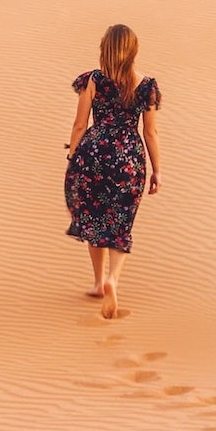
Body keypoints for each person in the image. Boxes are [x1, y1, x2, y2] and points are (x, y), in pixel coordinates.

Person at [64, 23, 162, 319]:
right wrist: (157, 170)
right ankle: (112, 279)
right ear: (132, 51)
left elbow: (80, 124)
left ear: (104, 49)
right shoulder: (145, 86)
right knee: (120, 220)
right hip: (128, 158)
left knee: (94, 216)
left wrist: (73, 156)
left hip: (93, 154)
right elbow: (151, 133)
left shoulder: (92, 80)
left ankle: (96, 282)